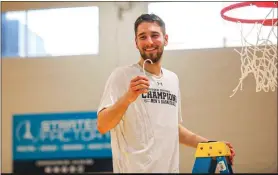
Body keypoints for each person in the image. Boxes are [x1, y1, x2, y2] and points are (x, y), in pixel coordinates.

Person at [97, 13, 235, 173]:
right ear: (136, 43)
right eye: (142, 37)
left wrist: (210, 144)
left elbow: (172, 129)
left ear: (166, 39)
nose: (149, 41)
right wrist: (128, 97)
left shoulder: (172, 79)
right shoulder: (121, 76)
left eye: (154, 35)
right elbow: (102, 125)